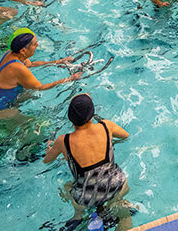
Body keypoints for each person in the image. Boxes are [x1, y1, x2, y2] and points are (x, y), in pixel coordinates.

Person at [44, 93, 132, 228]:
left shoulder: (64, 141)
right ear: (92, 115)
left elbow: (47, 161)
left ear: (71, 119)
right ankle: (119, 208)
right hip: (117, 186)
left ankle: (78, 216)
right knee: (122, 209)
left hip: (86, 198)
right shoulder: (106, 126)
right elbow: (125, 136)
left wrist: (50, 149)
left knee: (66, 186)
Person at [0, 30, 80, 115]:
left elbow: (31, 64)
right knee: (32, 125)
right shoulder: (18, 68)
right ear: (23, 50)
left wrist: (57, 62)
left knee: (32, 95)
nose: (37, 45)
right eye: (34, 44)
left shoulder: (10, 54)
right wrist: (70, 79)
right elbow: (41, 87)